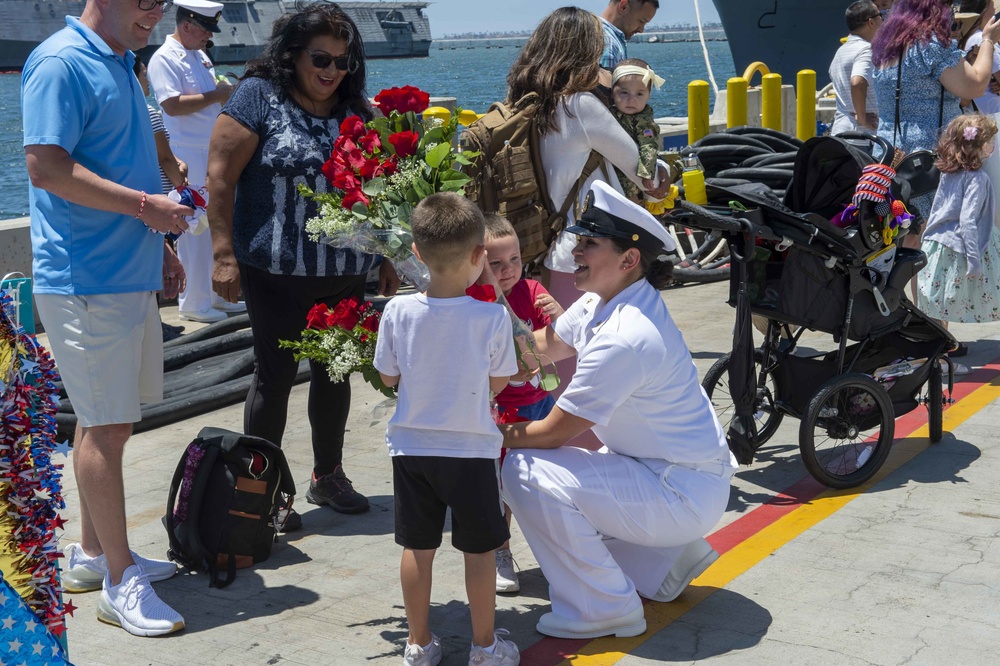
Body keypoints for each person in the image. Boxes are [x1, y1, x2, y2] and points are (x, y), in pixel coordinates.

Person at [498, 181, 737, 640]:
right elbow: (539, 350)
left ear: (629, 260)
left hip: (680, 491)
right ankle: (664, 560)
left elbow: (551, 433)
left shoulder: (626, 335)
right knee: (565, 474)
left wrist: (486, 430)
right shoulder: (599, 301)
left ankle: (604, 607)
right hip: (667, 473)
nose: (575, 253)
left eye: (589, 243)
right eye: (579, 240)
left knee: (526, 470)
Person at [22, 0, 194, 637]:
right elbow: (47, 168)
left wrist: (163, 247)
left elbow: (125, 160)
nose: (155, 9)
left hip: (127, 271)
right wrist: (150, 207)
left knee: (106, 420)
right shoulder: (61, 63)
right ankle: (121, 580)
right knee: (106, 425)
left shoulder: (123, 61)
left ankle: (95, 556)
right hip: (86, 278)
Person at [207, 3, 401, 531]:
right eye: (321, 57)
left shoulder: (356, 110)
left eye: (343, 60)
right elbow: (220, 178)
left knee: (334, 373)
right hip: (271, 270)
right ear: (293, 54)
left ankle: (327, 475)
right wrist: (223, 255)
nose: (332, 70)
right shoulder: (256, 98)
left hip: (343, 272)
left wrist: (385, 253)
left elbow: (377, 190)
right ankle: (261, 488)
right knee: (273, 377)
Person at [373, 193, 521, 666]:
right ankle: (483, 646)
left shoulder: (396, 312)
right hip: (472, 450)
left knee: (418, 547)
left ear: (415, 253)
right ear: (481, 256)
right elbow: (499, 382)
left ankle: (418, 644)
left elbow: (388, 377)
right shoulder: (493, 317)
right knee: (479, 551)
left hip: (412, 448)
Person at [477, 214, 563, 595]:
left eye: (514, 259)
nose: (507, 269)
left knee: (546, 483)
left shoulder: (531, 290)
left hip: (542, 403)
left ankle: (556, 552)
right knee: (501, 490)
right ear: (478, 262)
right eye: (496, 263)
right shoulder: (476, 301)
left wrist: (561, 316)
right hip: (500, 412)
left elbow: (566, 336)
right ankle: (501, 551)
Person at [148, 0, 242, 323]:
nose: (208, 37)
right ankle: (194, 301)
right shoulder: (163, 58)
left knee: (215, 223)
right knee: (193, 228)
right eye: (205, 30)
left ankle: (218, 295)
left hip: (211, 149)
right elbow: (171, 106)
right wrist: (217, 95)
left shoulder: (200, 55)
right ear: (186, 25)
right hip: (186, 153)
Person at [871, 0, 1000, 222]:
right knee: (933, 230)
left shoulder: (887, 47)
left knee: (899, 229)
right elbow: (975, 85)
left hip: (889, 154)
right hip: (929, 159)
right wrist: (988, 40)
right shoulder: (930, 45)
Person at [917, 114, 1000, 371]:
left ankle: (937, 358)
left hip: (935, 244)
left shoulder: (948, 173)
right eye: (989, 142)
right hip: (959, 248)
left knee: (936, 307)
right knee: (946, 306)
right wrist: (974, 260)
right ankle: (938, 360)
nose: (993, 147)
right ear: (976, 147)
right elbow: (968, 221)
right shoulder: (978, 179)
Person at [135, 57, 190, 342]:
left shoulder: (127, 113)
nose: (147, 83)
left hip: (140, 200)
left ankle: (154, 325)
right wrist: (182, 182)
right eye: (144, 76)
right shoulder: (149, 112)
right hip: (159, 200)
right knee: (159, 260)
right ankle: (156, 326)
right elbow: (165, 157)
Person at [610, 59, 663, 203]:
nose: (631, 100)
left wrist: (646, 174)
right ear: (612, 92)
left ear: (648, 96)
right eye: (624, 93)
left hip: (631, 183)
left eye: (639, 94)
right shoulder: (608, 113)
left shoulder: (643, 121)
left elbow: (649, 146)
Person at [829, 1, 883, 136]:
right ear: (871, 22)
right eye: (880, 15)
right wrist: (862, 119)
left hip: (841, 131)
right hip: (862, 137)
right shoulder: (865, 50)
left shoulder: (840, 52)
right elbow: (857, 81)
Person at [598, 0, 659, 87]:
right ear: (624, 7)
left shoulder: (596, 33)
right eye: (641, 21)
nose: (641, 30)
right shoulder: (609, 43)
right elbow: (605, 97)